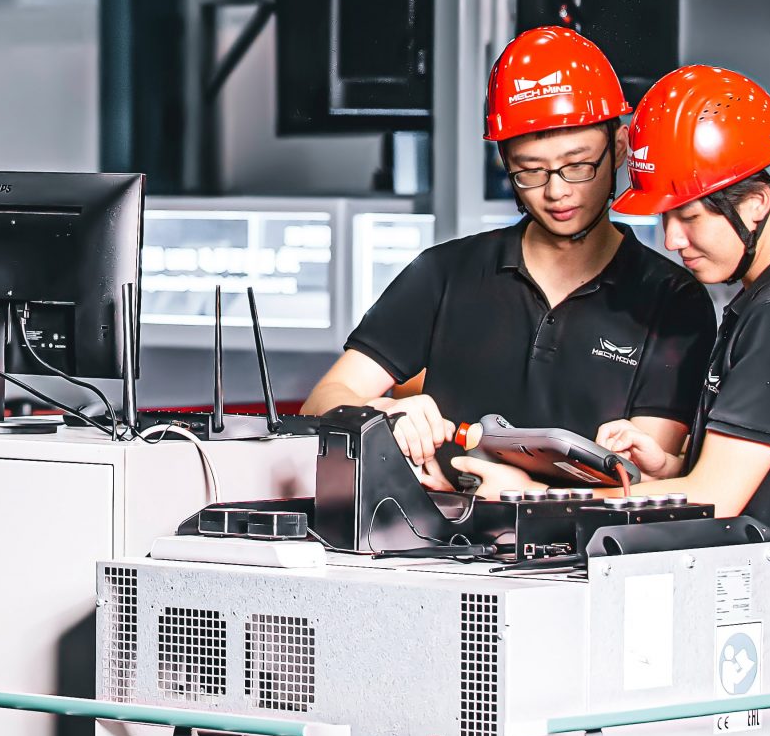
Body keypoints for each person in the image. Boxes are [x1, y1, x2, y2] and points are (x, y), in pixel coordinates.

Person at [455, 65, 770, 736]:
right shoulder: (766, 305)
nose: (673, 240)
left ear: (758, 199)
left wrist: (532, 498)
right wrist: (664, 465)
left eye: (689, 213)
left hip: (762, 687)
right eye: (664, 217)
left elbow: (715, 501)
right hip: (739, 670)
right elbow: (752, 477)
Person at [301, 27, 715, 491]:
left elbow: (636, 479)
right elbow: (322, 400)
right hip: (431, 547)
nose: (556, 191)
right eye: (530, 171)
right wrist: (380, 411)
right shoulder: (445, 273)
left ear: (618, 147)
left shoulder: (672, 301)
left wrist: (524, 495)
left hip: (582, 556)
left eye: (578, 165)